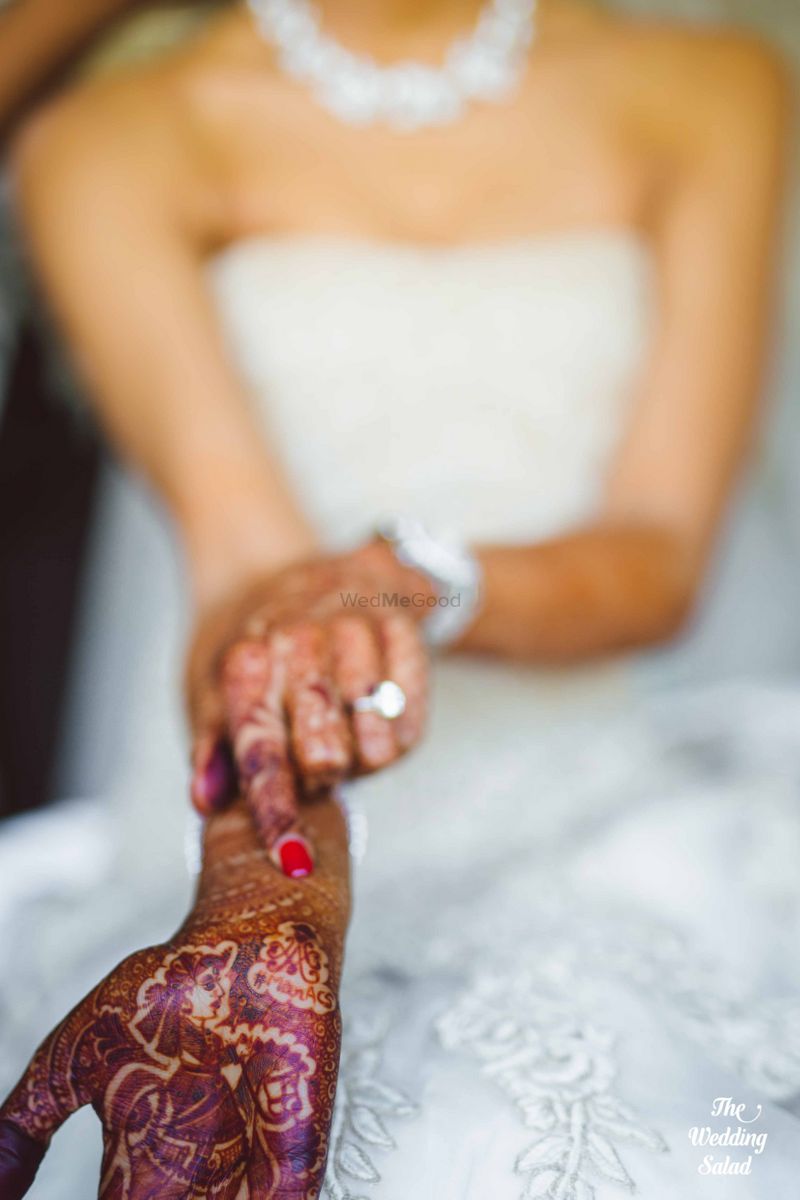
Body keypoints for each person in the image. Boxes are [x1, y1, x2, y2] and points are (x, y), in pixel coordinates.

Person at [2, 1, 799, 1197]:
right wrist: (268, 900)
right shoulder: (109, 140)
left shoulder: (711, 89)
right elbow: (242, 581)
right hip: (282, 820)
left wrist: (413, 574)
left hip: (588, 816)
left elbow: (659, 555)